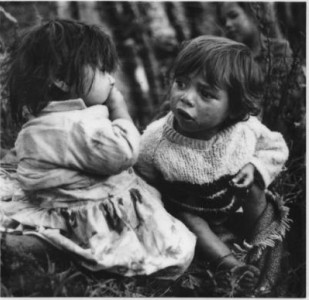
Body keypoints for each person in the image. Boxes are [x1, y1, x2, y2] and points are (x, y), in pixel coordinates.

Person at [0, 19, 196, 279]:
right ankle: (50, 251)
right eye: (103, 70)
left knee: (47, 229)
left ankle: (41, 245)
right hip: (95, 217)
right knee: (159, 244)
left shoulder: (37, 124)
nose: (111, 79)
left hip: (59, 206)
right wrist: (119, 110)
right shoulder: (80, 127)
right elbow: (125, 153)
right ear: (60, 78)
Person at [136, 36, 290, 294]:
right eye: (181, 83)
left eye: (206, 94)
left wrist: (255, 166)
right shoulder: (154, 142)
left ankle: (259, 246)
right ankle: (231, 264)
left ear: (233, 108)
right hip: (194, 207)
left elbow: (276, 148)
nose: (186, 98)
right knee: (190, 219)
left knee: (255, 189)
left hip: (237, 202)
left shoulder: (244, 129)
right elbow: (141, 178)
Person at [218, 2, 305, 147]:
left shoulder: (279, 50)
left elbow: (290, 102)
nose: (227, 24)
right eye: (223, 20)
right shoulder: (228, 62)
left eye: (233, 16)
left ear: (252, 15)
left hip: (280, 139)